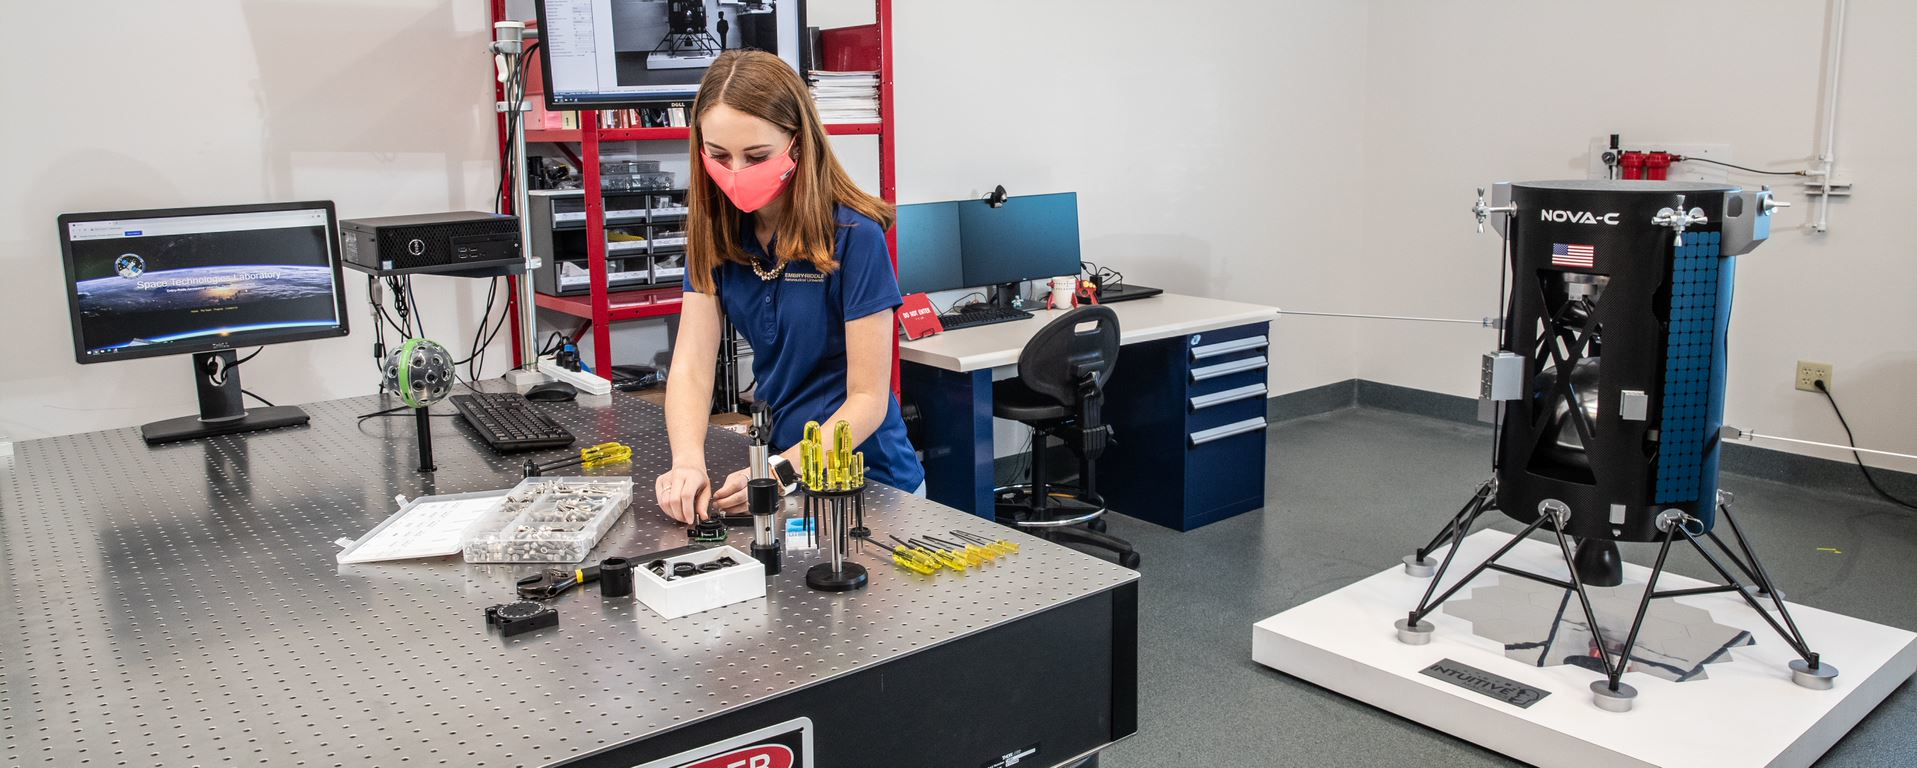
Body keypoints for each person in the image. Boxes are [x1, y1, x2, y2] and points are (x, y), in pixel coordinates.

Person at [654, 50, 924, 524]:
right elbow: (693, 366)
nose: (735, 172)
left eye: (756, 156)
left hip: (870, 478)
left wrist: (781, 471)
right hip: (786, 476)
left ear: (796, 145)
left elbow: (867, 399)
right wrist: (687, 462)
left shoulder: (853, 238)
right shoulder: (717, 235)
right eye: (719, 156)